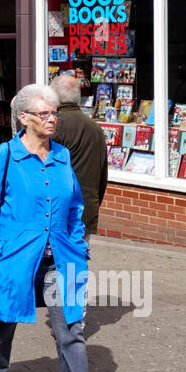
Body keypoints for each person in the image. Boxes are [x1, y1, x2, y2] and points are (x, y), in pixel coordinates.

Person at [0, 83, 106, 372]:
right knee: (3, 322)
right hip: (15, 256)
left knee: (71, 332)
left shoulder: (62, 156)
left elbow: (75, 207)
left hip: (61, 260)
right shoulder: (5, 155)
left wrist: (76, 243)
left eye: (54, 113)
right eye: (44, 113)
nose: (52, 119)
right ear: (23, 117)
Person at [51, 74, 109, 246]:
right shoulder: (96, 129)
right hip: (85, 211)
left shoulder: (53, 126)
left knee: (52, 267)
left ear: (55, 97)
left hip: (57, 211)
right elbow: (102, 176)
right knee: (75, 265)